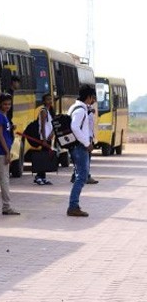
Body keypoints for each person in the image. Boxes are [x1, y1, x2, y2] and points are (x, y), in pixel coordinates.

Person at [67, 85, 97, 217]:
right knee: (82, 176)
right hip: (80, 147)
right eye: (92, 98)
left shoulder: (76, 107)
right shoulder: (80, 110)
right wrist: (86, 143)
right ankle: (73, 206)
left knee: (80, 176)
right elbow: (74, 127)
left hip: (76, 146)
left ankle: (74, 205)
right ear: (89, 97)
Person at [33, 93, 55, 185]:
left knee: (46, 157)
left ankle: (43, 177)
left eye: (51, 99)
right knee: (43, 157)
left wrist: (52, 134)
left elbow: (51, 124)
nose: (49, 101)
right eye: (47, 99)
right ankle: (38, 176)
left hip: (49, 137)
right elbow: (42, 126)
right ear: (44, 101)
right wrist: (45, 140)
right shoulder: (43, 111)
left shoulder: (50, 111)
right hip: (44, 138)